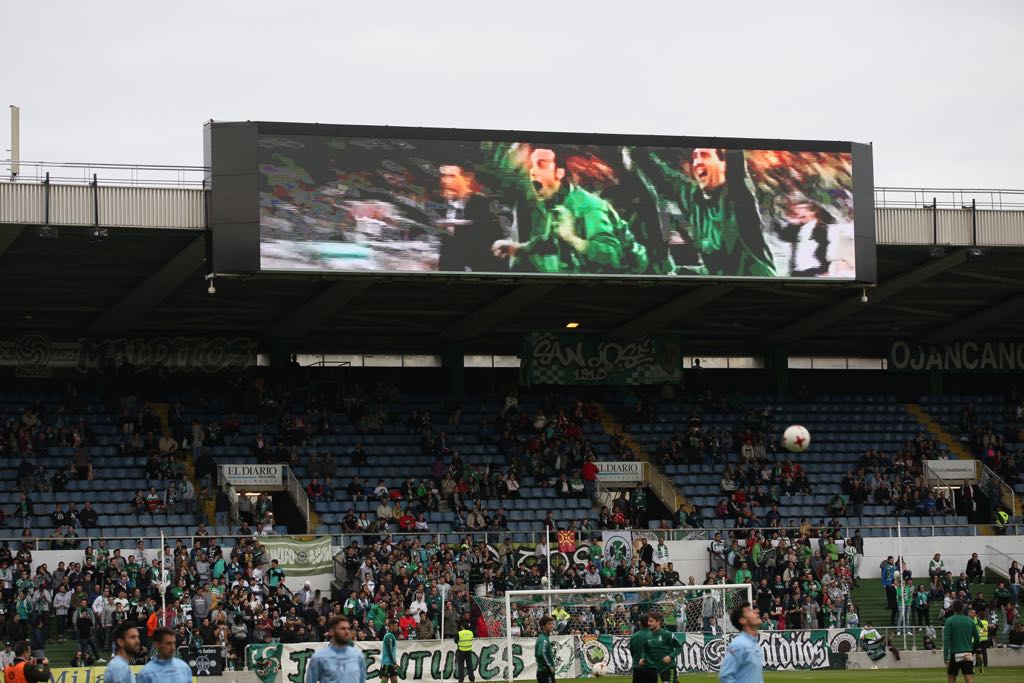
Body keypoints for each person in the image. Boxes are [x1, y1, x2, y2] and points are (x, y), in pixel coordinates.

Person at [436, 164, 508, 273]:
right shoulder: (444, 205)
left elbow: (494, 237)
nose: (445, 180)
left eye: (451, 176)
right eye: (443, 176)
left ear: (467, 179)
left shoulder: (483, 204)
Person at [305, 616, 365, 683]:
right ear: (331, 631)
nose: (347, 632)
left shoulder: (358, 656)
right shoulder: (319, 658)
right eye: (342, 629)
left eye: (348, 628)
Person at [719, 603, 763, 683]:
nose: (757, 611)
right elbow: (725, 676)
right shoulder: (738, 644)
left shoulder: (754, 644)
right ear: (742, 620)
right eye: (750, 611)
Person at [944, 601, 979, 683]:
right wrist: (971, 649)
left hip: (955, 653)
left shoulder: (949, 621)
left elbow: (946, 640)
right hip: (968, 652)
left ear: (953, 608)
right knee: (969, 677)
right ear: (963, 609)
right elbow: (977, 638)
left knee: (951, 677)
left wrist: (946, 658)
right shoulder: (970, 621)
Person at [645, 611, 681, 683]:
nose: (648, 623)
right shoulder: (647, 636)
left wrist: (670, 656)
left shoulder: (667, 634)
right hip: (656, 669)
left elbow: (679, 647)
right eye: (648, 621)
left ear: (658, 622)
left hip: (669, 668)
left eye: (651, 621)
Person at [629, 612, 654, 683]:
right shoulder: (654, 635)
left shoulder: (634, 636)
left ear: (640, 623)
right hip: (651, 667)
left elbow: (632, 652)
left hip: (637, 667)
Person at [535, 616, 556, 683]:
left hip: (543, 672)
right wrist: (549, 666)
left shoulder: (543, 637)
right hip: (545, 673)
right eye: (549, 624)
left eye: (552, 623)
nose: (552, 626)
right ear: (543, 626)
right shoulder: (544, 639)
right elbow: (541, 653)